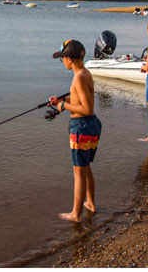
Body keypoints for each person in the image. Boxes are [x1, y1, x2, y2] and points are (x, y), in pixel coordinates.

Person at [49, 39, 102, 223]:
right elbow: (80, 97)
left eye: (62, 58)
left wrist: (64, 105)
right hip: (91, 126)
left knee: (78, 173)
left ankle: (76, 214)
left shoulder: (78, 77)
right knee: (86, 168)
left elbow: (87, 108)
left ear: (69, 59)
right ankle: (91, 204)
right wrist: (61, 101)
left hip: (82, 127)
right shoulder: (85, 73)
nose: (62, 61)